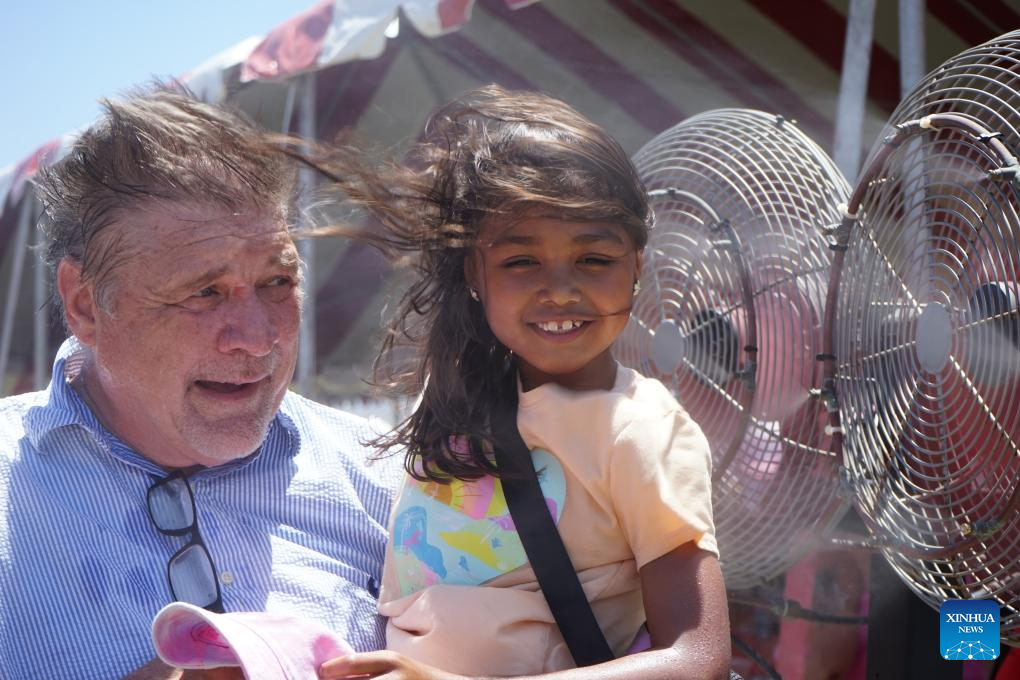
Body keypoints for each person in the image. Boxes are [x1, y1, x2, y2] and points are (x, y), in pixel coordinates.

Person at [314, 85, 732, 679]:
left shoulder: (641, 432)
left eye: (594, 259)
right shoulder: (455, 401)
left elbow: (698, 660)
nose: (559, 290)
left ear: (637, 267)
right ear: (474, 273)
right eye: (521, 262)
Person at [0, 88, 400, 679]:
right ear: (85, 306)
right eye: (204, 292)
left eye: (277, 283)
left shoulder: (386, 476)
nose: (257, 338)